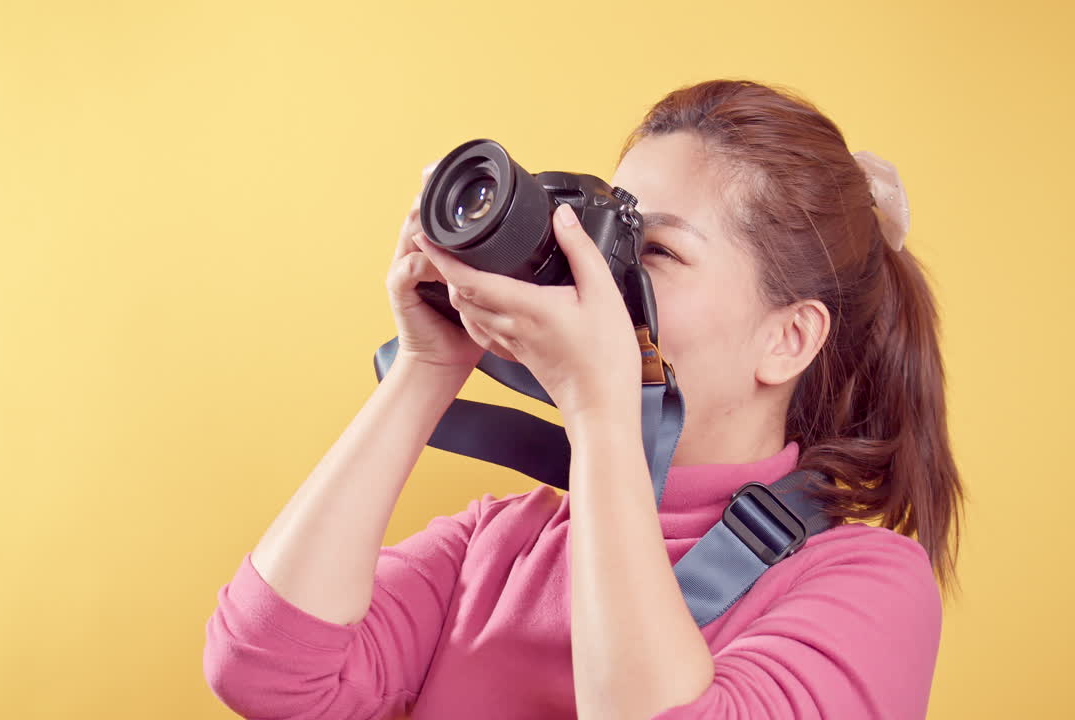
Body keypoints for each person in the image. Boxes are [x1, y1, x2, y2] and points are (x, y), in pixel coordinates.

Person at [201, 79, 965, 719]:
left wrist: (602, 412)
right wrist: (430, 365)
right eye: (609, 233)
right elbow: (262, 670)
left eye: (656, 250)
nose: (604, 277)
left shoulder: (868, 584)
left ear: (788, 339)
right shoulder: (495, 547)